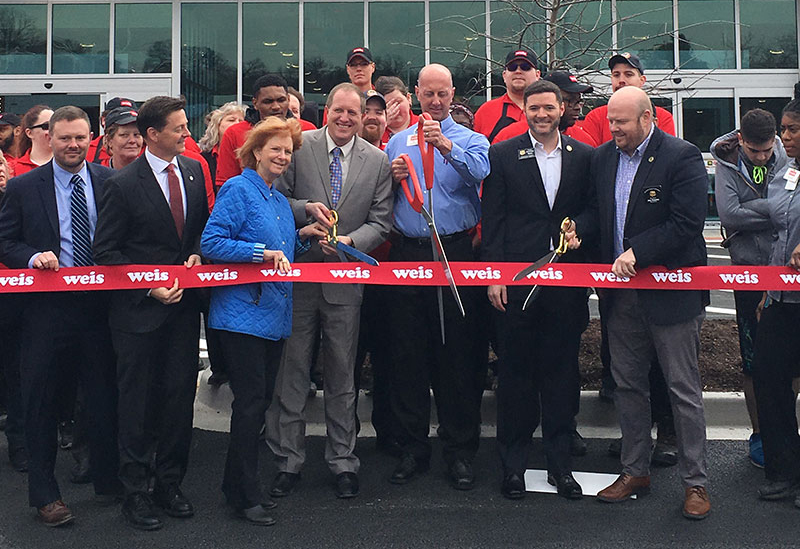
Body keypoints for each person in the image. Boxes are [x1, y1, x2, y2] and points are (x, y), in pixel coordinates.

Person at [585, 86, 710, 520]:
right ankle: (634, 469)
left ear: (646, 119)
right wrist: (577, 229)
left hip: (670, 297)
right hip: (620, 298)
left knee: (682, 390)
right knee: (628, 385)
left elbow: (688, 223)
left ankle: (696, 483)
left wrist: (638, 251)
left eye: (621, 121)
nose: (613, 128)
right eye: (610, 120)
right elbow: (596, 212)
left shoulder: (682, 156)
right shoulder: (603, 158)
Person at [267, 82, 393, 500]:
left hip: (345, 281)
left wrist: (351, 243)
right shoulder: (298, 148)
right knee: (293, 373)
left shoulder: (377, 161)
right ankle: (288, 460)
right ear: (327, 113)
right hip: (298, 277)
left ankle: (343, 460)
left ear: (362, 118)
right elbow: (274, 198)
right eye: (338, 111)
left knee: (343, 376)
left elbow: (381, 221)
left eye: (353, 114)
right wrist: (305, 213)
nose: (345, 119)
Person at [0, 106, 121, 527]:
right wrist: (32, 257)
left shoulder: (110, 182)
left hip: (100, 310)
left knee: (104, 398)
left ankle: (109, 480)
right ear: (48, 138)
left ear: (93, 139)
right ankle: (45, 494)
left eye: (81, 138)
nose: (73, 145)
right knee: (41, 403)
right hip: (45, 313)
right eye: (65, 138)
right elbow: (6, 242)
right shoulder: (23, 188)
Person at [202, 117, 326, 525]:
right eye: (275, 149)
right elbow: (212, 242)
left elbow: (284, 250)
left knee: (258, 406)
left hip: (273, 315)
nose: (282, 156)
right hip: (241, 316)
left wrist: (305, 237)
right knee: (251, 407)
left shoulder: (275, 200)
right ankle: (245, 494)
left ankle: (235, 486)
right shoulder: (238, 188)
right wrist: (259, 253)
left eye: (288, 151)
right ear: (256, 152)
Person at [93, 96, 209, 531]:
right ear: (152, 135)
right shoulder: (121, 184)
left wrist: (197, 255)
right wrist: (148, 286)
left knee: (179, 400)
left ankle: (169, 482)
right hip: (138, 316)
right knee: (137, 403)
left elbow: (197, 232)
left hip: (182, 312)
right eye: (178, 128)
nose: (186, 134)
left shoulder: (195, 172)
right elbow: (106, 252)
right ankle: (136, 491)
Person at [482, 80, 595, 500]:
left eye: (549, 107)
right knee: (515, 376)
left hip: (565, 286)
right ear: (524, 110)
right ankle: (513, 466)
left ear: (562, 108)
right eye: (535, 108)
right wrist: (494, 275)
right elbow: (493, 220)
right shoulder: (503, 154)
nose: (542, 115)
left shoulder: (584, 156)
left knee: (562, 376)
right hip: (516, 285)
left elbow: (592, 210)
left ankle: (560, 467)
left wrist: (579, 228)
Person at [384, 64, 490, 490]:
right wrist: (392, 181)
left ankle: (460, 449)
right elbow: (383, 198)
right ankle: (412, 446)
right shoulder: (396, 140)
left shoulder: (471, 138)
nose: (434, 101)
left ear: (452, 94)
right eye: (427, 94)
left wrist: (445, 144)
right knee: (408, 354)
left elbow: (480, 174)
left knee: (458, 355)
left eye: (442, 94)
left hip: (456, 251)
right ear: (416, 94)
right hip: (409, 252)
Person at [711, 108, 787, 469]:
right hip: (747, 272)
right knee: (753, 361)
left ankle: (787, 433)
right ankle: (759, 434)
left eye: (767, 150)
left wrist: (756, 209)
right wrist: (777, 210)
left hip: (786, 269)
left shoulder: (786, 156)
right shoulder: (725, 164)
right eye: (755, 151)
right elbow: (728, 215)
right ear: (741, 139)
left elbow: (790, 209)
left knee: (791, 359)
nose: (762, 157)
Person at [752, 86, 800, 507]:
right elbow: (776, 229)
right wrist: (769, 290)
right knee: (770, 383)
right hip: (780, 299)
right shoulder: (787, 173)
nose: (784, 137)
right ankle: (785, 471)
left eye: (792, 129)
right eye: (783, 129)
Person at [215, 74, 315, 188]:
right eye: (268, 101)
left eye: (281, 100)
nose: (276, 106)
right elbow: (225, 185)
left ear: (288, 99)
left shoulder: (307, 130)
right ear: (255, 103)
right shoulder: (234, 133)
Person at [579, 53, 675, 145]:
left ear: (642, 80)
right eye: (616, 75)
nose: (621, 80)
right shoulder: (596, 117)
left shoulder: (663, 117)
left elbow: (667, 155)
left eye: (628, 74)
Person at [493, 71, 597, 147]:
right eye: (570, 100)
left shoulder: (584, 141)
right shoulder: (508, 136)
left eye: (578, 101)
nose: (577, 107)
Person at [473, 48, 540, 142]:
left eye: (525, 67)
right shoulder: (486, 111)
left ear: (537, 75)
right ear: (504, 75)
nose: (518, 71)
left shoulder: (548, 111)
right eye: (512, 67)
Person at [198, 102, 245, 185]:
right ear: (217, 125)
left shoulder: (250, 156)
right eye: (231, 120)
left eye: (241, 121)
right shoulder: (203, 159)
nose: (237, 124)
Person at [87, 97, 137, 165]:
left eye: (137, 134)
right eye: (124, 135)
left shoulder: (147, 149)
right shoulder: (87, 150)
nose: (132, 140)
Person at [11, 105, 53, 176]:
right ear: (29, 133)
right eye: (46, 126)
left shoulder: (70, 165)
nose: (53, 131)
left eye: (55, 126)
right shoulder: (12, 169)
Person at [375, 76, 418, 145]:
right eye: (387, 105)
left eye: (398, 102)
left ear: (408, 98)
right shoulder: (374, 131)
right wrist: (383, 125)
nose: (394, 108)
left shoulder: (422, 125)